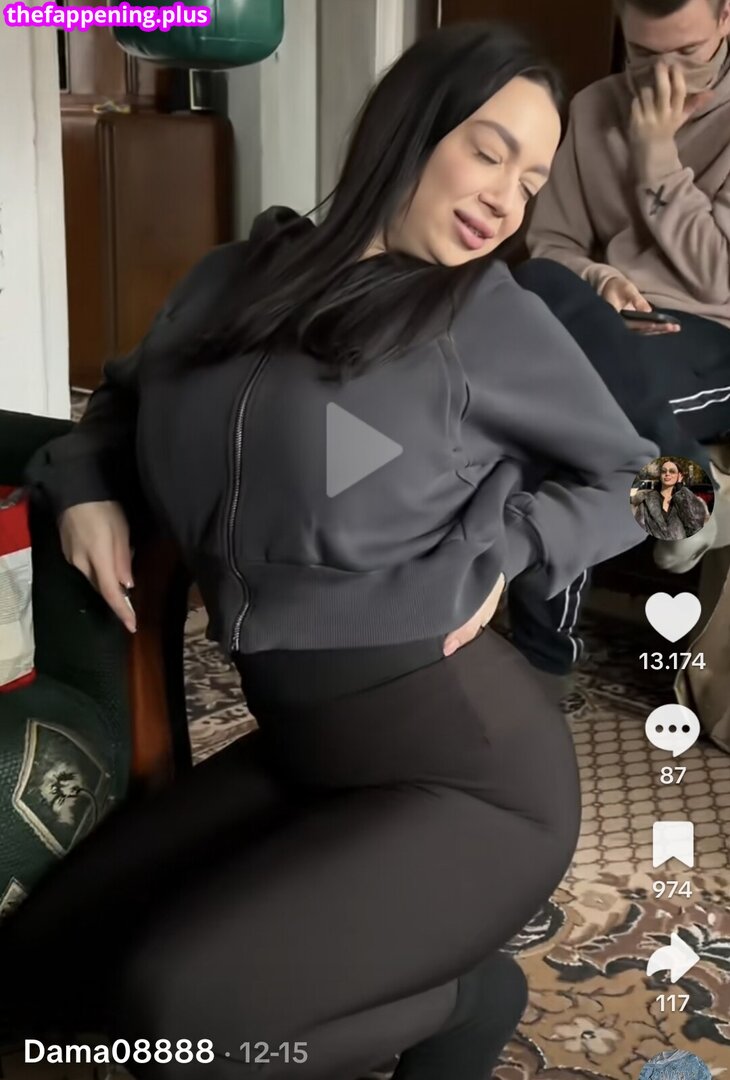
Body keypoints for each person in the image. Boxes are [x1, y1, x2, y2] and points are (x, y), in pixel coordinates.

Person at [0, 23, 656, 1080]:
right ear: (409, 128)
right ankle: (446, 988)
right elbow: (126, 397)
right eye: (489, 153)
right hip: (307, 750)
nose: (506, 200)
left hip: (466, 778)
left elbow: (664, 483)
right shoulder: (230, 277)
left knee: (180, 1022)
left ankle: (461, 1003)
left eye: (531, 181)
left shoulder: (483, 316)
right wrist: (82, 486)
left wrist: (511, 546)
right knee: (42, 970)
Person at [500, 0, 730, 684]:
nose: (663, 77)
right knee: (534, 282)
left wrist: (657, 156)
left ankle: (541, 666)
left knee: (562, 414)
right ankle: (690, 489)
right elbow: (552, 245)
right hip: (606, 327)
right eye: (644, 56)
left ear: (726, 17)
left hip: (713, 333)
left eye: (685, 54)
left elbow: (719, 275)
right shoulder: (595, 107)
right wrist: (598, 279)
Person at [632, 458, 711, 537]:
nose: (667, 474)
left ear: (679, 476)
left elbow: (694, 528)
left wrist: (680, 493)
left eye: (672, 471)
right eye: (663, 471)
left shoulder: (692, 501)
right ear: (660, 475)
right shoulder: (646, 501)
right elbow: (639, 533)